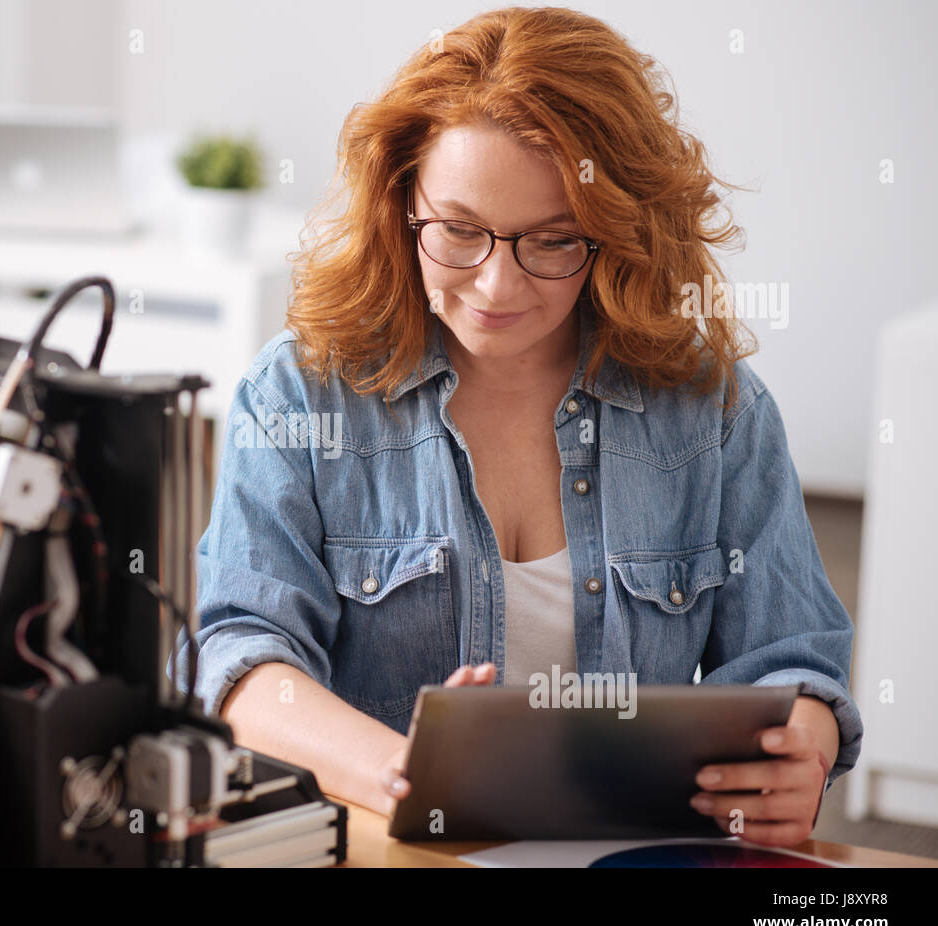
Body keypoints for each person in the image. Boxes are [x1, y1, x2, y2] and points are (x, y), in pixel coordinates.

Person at [171, 6, 859, 848]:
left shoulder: (714, 410)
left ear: (616, 234)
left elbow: (795, 658)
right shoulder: (298, 394)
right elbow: (239, 658)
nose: (495, 286)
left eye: (553, 241)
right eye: (458, 232)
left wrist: (805, 752)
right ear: (402, 204)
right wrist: (407, 775)